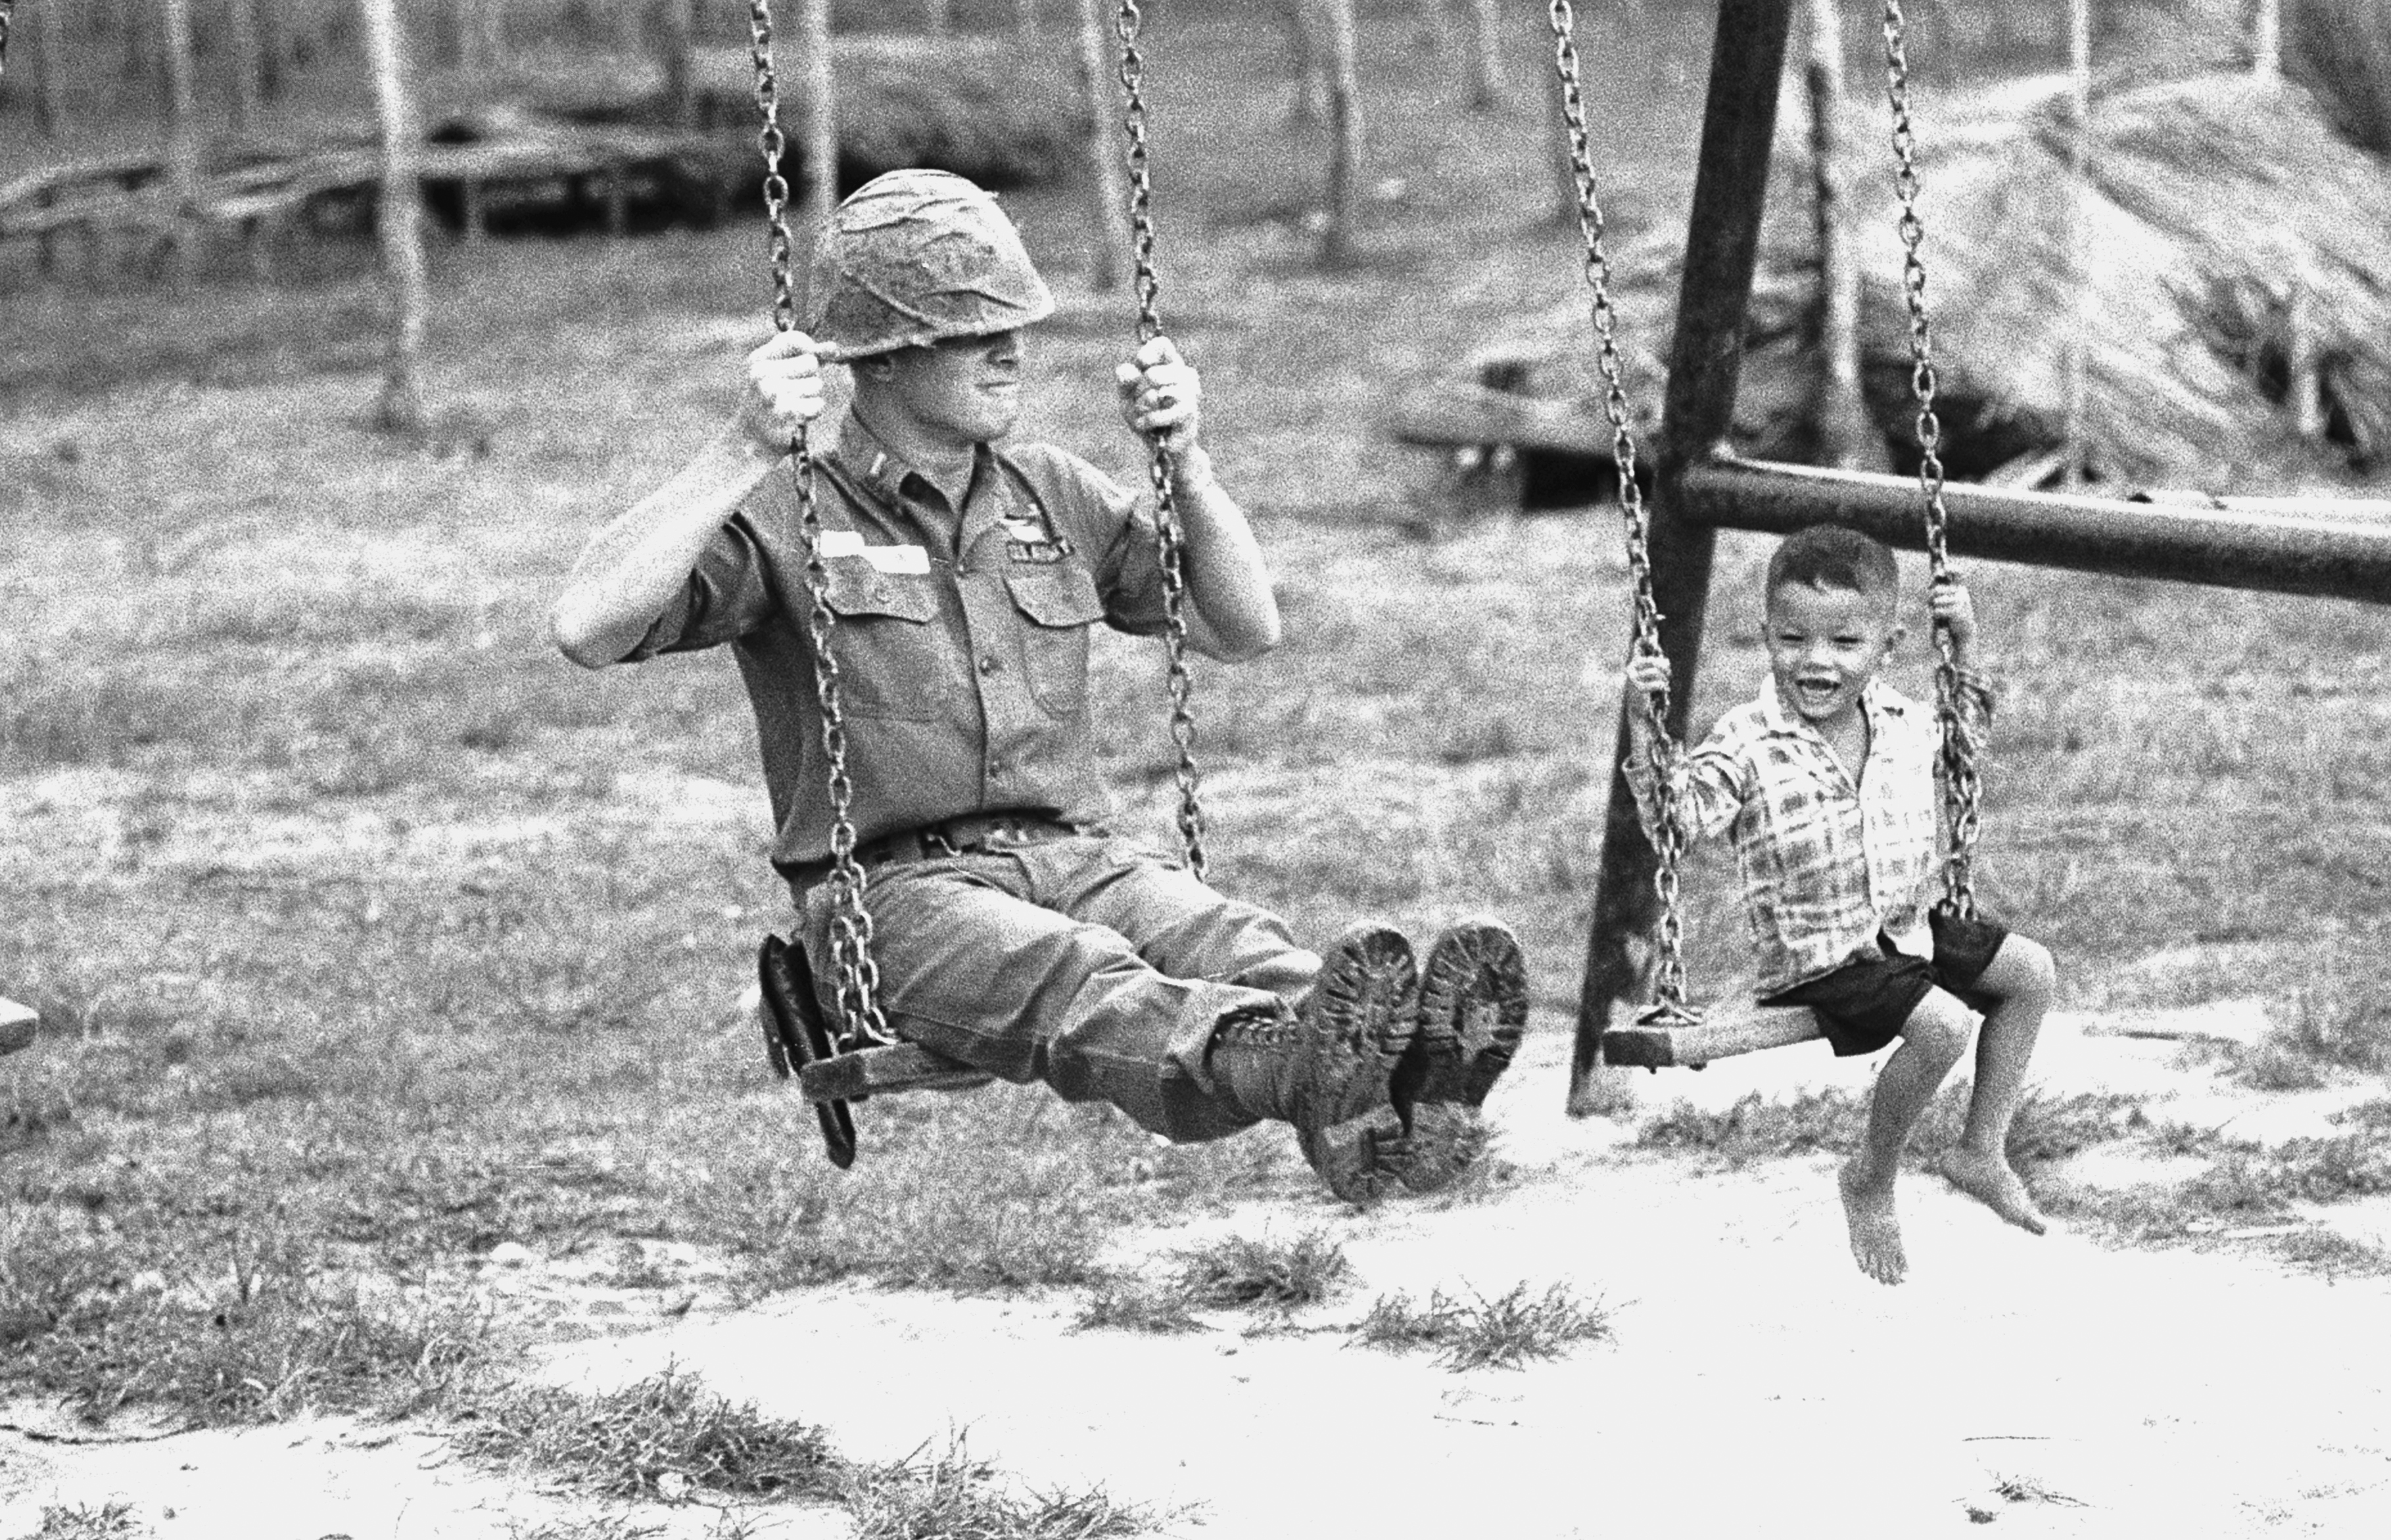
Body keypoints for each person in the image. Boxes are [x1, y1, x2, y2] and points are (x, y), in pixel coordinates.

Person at [550, 169, 1527, 1203]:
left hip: (1080, 856)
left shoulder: (1052, 493)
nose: (1010, 350)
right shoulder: (792, 513)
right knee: (1077, 979)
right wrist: (739, 446)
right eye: (975, 332)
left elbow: (1244, 627)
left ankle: (1408, 1074)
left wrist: (1186, 465)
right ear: (880, 352)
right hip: (897, 900)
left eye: (1014, 324)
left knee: (1228, 940)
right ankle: (1296, 1071)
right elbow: (586, 627)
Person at [1622, 525, 2056, 1284]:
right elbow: (1674, 823)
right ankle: (1871, 1176)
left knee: (2030, 972)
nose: (1815, 660)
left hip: (1903, 928)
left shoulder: (1897, 719)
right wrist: (1642, 720)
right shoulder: (1747, 742)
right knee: (1944, 1024)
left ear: (1887, 647)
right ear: (1765, 635)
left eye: (1844, 642)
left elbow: (1964, 753)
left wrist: (1965, 644)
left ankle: (1979, 1149)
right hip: (1819, 956)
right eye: (1792, 638)